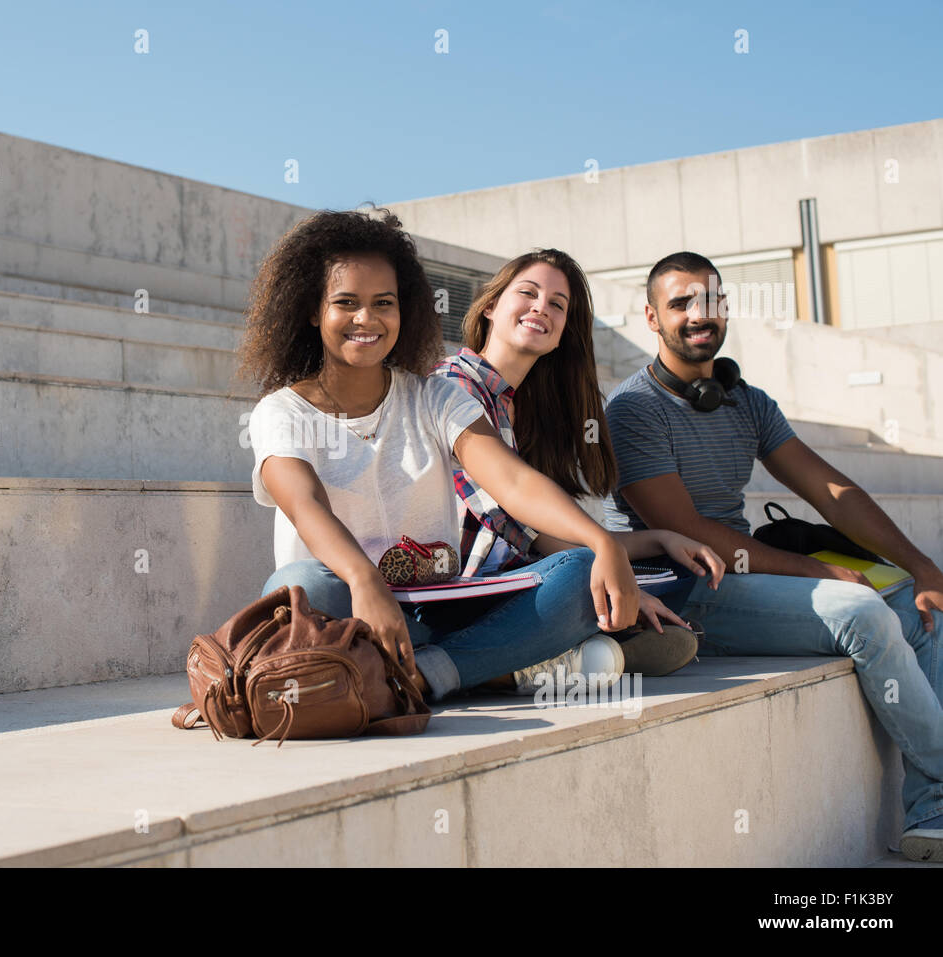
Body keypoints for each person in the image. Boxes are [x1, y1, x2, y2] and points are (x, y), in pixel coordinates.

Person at [603, 249, 943, 863]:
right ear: (652, 319)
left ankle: (932, 813)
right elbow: (685, 529)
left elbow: (833, 491)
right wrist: (821, 572)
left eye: (709, 299)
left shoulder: (746, 401)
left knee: (921, 605)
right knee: (860, 610)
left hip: (745, 575)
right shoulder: (633, 410)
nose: (697, 313)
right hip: (683, 589)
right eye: (680, 303)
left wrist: (922, 567)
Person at [238, 208, 644, 703]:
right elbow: (305, 506)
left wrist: (602, 542)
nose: (366, 318)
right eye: (346, 302)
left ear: (403, 309)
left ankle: (418, 675)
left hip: (441, 607)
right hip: (343, 605)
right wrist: (364, 580)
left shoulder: (435, 396)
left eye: (383, 303)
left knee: (579, 572)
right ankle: (488, 664)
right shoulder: (281, 411)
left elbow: (511, 482)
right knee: (297, 585)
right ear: (311, 311)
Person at [432, 248, 722, 683]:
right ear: (490, 305)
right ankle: (516, 664)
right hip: (458, 592)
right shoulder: (453, 384)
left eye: (556, 304)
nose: (540, 308)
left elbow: (543, 537)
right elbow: (514, 515)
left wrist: (658, 539)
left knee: (675, 564)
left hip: (521, 580)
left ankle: (569, 649)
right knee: (582, 571)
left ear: (564, 330)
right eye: (528, 293)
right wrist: (610, 562)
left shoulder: (522, 409)